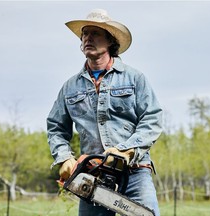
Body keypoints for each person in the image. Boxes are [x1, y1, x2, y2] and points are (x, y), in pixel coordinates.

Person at [47, 9, 163, 216]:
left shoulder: (134, 79)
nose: (88, 38)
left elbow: (152, 120)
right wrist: (64, 158)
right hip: (93, 174)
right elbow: (56, 128)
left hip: (135, 169)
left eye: (95, 33)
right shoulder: (70, 87)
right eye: (85, 34)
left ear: (110, 41)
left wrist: (124, 151)